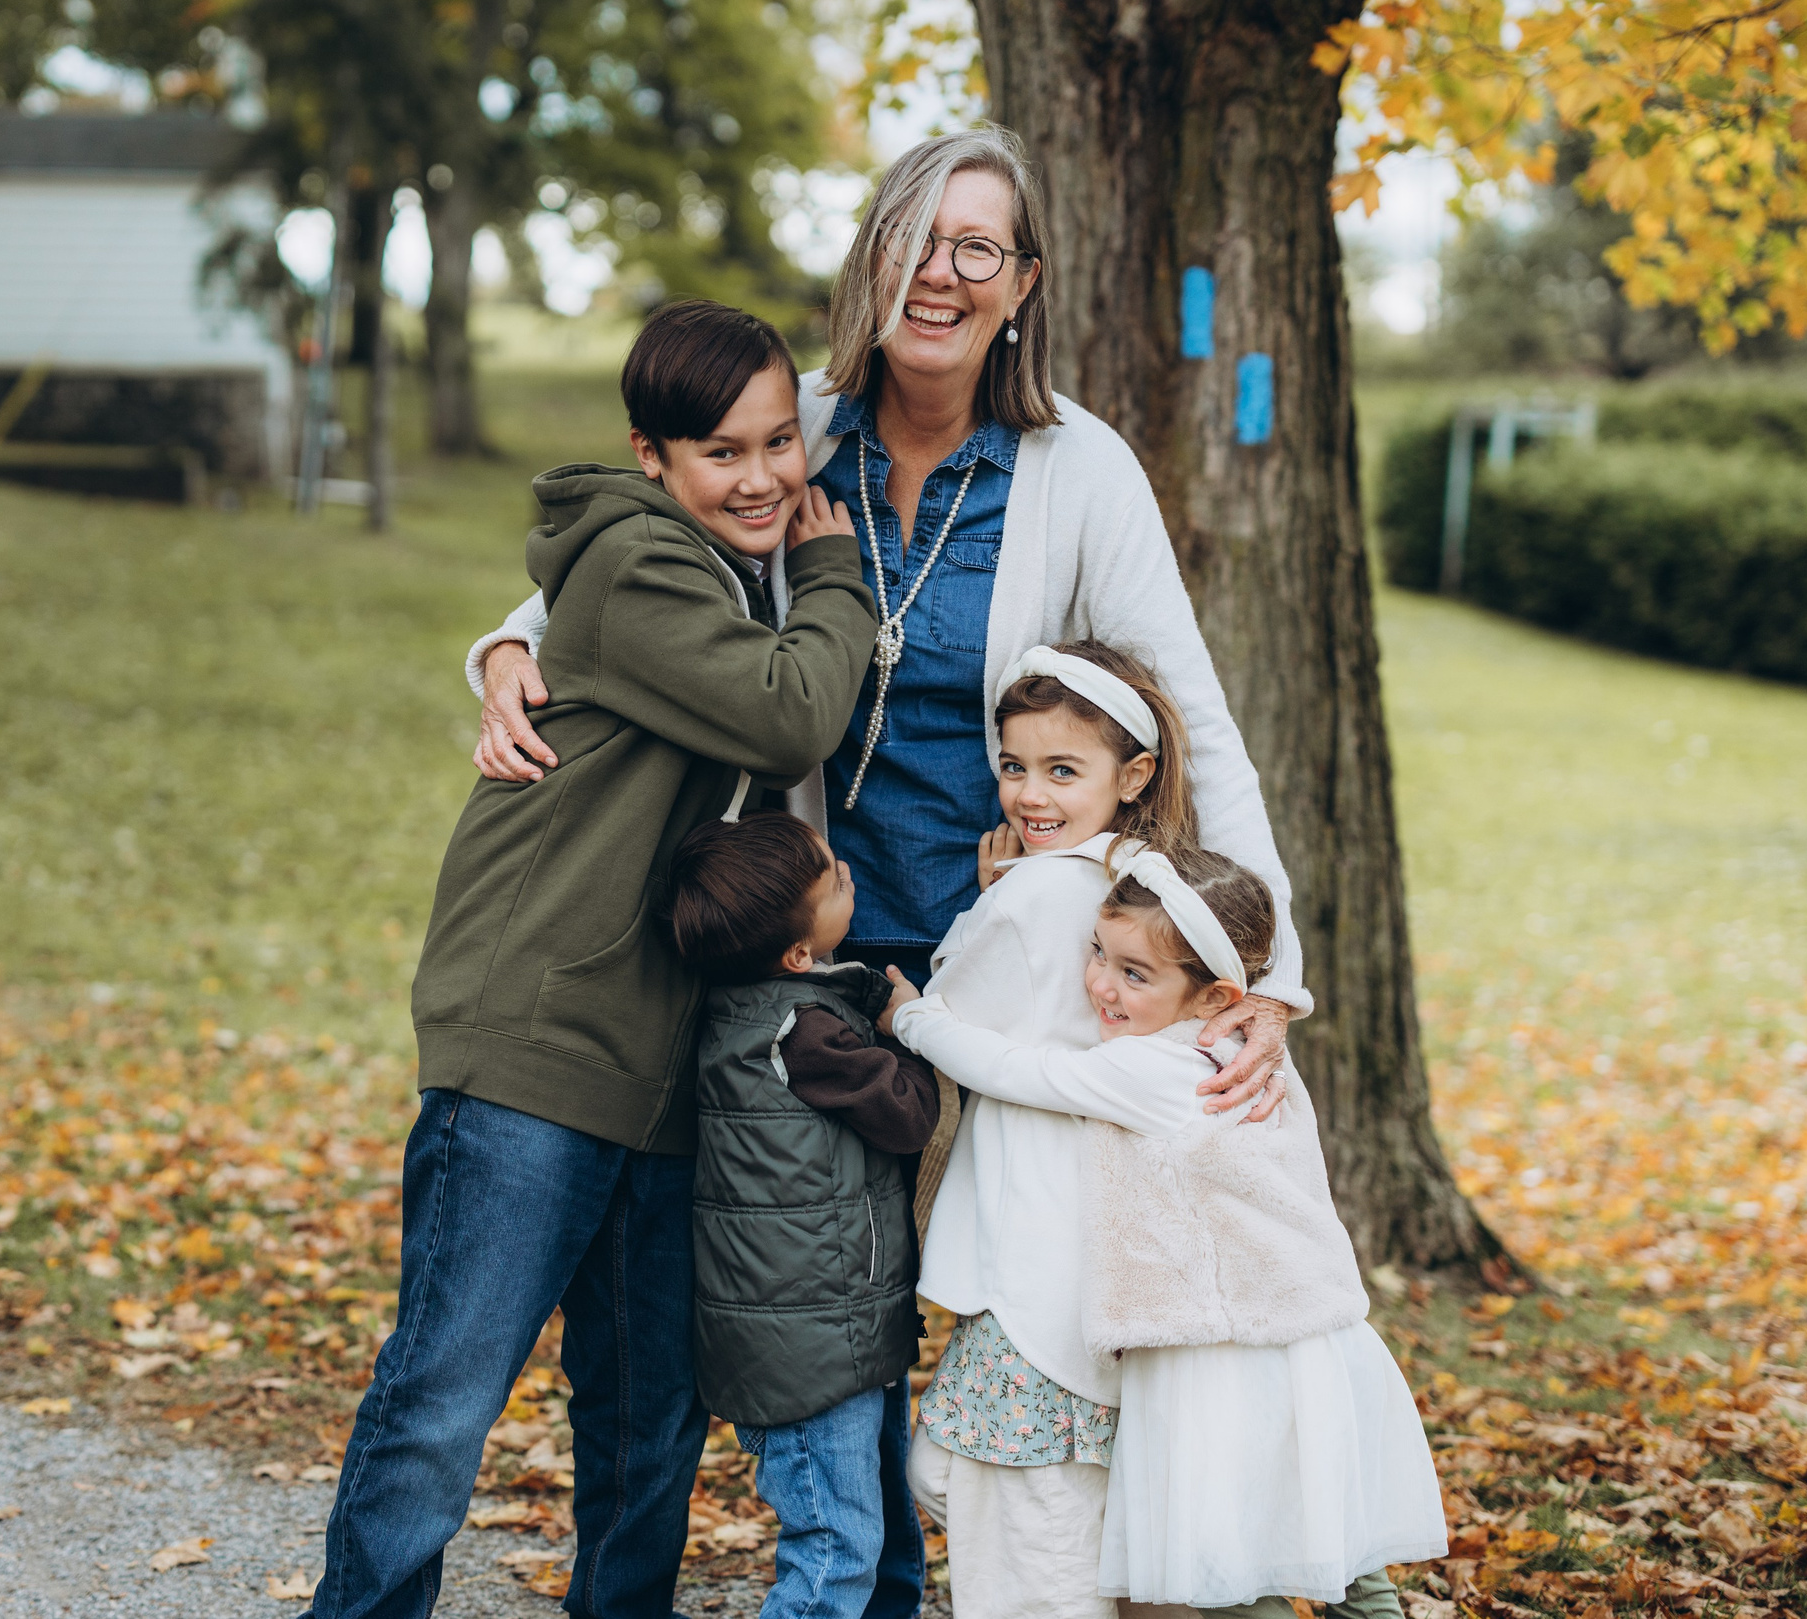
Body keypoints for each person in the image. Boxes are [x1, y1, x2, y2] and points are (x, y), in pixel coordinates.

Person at [465, 124, 1306, 1116]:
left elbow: (1190, 717)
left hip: (1004, 963)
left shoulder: (1081, 469)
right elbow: (652, 542)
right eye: (911, 237)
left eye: (976, 248)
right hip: (794, 955)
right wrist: (516, 640)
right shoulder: (795, 427)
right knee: (797, 1213)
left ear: (1022, 285)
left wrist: (1267, 971)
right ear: (873, 255)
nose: (936, 273)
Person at [307, 302, 878, 1619]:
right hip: (540, 1038)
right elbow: (790, 711)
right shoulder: (638, 563)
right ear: (650, 456)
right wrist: (834, 573)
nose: (762, 477)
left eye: (779, 442)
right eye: (721, 451)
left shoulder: (709, 566)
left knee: (646, 1409)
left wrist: (502, 640)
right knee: (446, 1391)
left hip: (663, 1053)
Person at [885, 848, 1447, 1619]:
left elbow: (1015, 1068)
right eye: (1096, 952)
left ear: (1214, 994)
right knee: (1316, 1534)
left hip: (1222, 1349)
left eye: (1134, 973)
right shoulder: (1252, 1058)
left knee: (1219, 1563)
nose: (1100, 984)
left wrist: (911, 1016)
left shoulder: (1153, 1071)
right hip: (1310, 1336)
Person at [868, 642, 1203, 1619]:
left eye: (1062, 770)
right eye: (1013, 766)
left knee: (1016, 1511)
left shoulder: (1038, 892)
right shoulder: (1151, 887)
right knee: (1021, 1485)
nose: (1029, 794)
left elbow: (953, 1005)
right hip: (1115, 1243)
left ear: (1133, 776)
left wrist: (965, 933)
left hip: (1036, 1246)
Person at [667, 810, 941, 1619]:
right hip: (817, 1347)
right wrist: (908, 1025)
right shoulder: (804, 1031)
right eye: (834, 881)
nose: (848, 872)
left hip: (817, 1332)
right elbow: (908, 1115)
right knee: (834, 1552)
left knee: (866, 1531)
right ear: (796, 952)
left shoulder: (747, 1009)